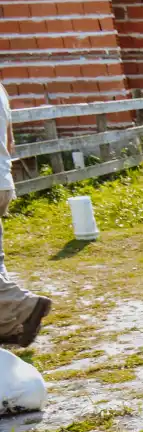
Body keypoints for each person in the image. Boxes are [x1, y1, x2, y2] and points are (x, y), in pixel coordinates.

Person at [0, 80, 50, 348]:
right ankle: (7, 326)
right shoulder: (1, 90)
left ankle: (27, 306)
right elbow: (10, 142)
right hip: (2, 181)